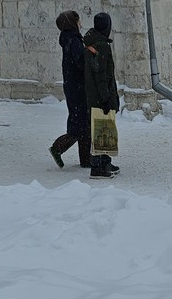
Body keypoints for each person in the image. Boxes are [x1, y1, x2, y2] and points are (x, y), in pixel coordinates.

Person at [49, 10, 90, 170]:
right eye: (78, 20)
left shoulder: (70, 39)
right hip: (77, 87)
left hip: (74, 86)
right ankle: (58, 147)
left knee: (82, 122)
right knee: (80, 124)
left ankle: (86, 158)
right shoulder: (73, 40)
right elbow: (80, 63)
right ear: (72, 23)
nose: (80, 23)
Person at [83, 11, 120, 178]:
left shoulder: (93, 42)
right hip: (100, 96)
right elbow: (101, 74)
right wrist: (105, 98)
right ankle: (97, 166)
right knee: (101, 129)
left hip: (94, 94)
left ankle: (105, 161)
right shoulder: (101, 45)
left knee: (104, 127)